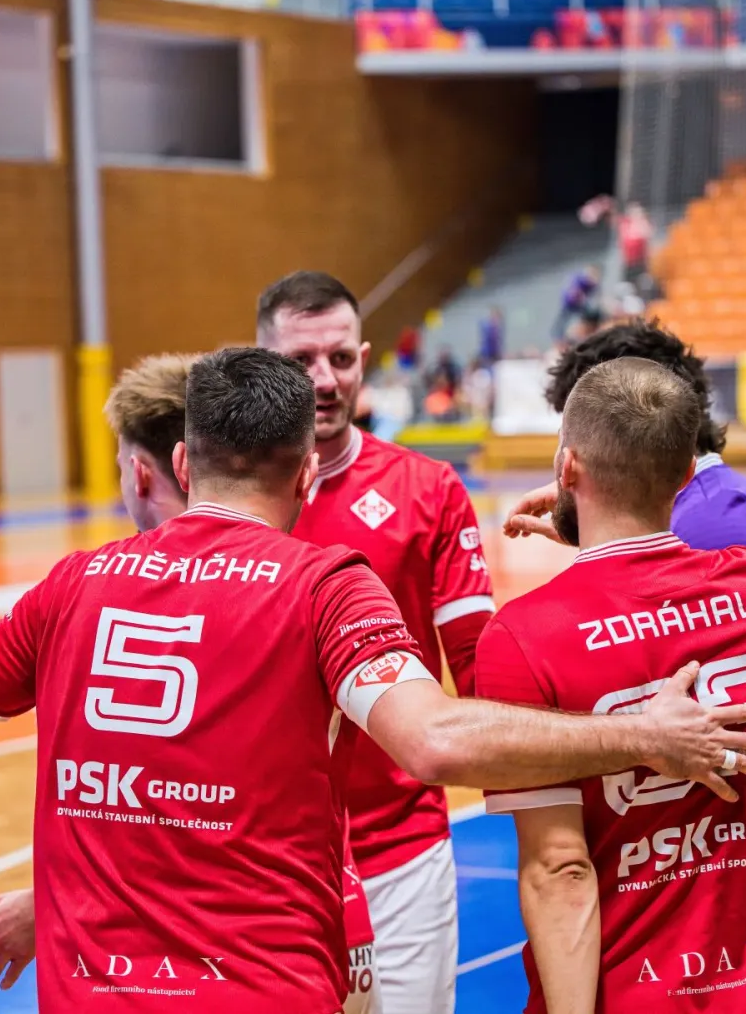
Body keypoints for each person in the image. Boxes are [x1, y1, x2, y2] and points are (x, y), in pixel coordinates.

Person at [0, 347, 746, 1014]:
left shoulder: (72, 584)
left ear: (182, 465)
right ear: (308, 474)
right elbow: (434, 741)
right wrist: (644, 734)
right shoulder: (325, 585)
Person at [0, 352, 383, 1011]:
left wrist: (53, 898)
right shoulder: (306, 574)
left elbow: (166, 802)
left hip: (209, 961)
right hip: (304, 941)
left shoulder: (85, 586)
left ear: (155, 468)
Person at [509, 319, 746, 1014]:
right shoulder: (713, 511)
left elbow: (657, 675)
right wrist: (593, 528)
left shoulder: (716, 527)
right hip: (734, 868)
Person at [253, 271, 490, 1014]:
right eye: (300, 361)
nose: (324, 380)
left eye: (339, 358)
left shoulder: (429, 489)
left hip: (400, 851)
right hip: (264, 860)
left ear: (363, 358)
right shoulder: (226, 497)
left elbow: (480, 669)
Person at [554, 265, 603, 348]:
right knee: (562, 324)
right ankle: (561, 339)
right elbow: (573, 294)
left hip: (580, 305)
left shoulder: (593, 284)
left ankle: (587, 331)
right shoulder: (578, 280)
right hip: (570, 303)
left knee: (591, 314)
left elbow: (597, 295)